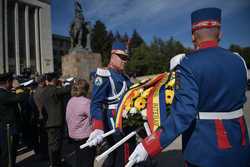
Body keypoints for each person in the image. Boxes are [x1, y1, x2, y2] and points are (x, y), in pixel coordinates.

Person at [128, 7, 250, 167]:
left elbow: (183, 113)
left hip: (205, 151)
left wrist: (149, 145)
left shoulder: (188, 64)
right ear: (220, 34)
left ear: (193, 37)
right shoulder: (239, 61)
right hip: (240, 147)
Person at [87, 41, 132, 166]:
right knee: (118, 155)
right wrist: (98, 126)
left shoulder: (125, 78)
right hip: (112, 123)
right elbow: (95, 103)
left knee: (125, 153)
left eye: (126, 58)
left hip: (126, 121)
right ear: (112, 56)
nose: (125, 61)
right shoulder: (104, 75)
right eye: (122, 57)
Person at [42, 72, 71, 167]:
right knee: (56, 145)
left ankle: (54, 162)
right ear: (54, 80)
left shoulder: (45, 90)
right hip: (55, 122)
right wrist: (66, 82)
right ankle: (55, 163)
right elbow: (68, 89)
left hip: (49, 122)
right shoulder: (54, 90)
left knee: (52, 144)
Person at [66, 78, 95, 167]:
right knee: (87, 161)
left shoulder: (71, 100)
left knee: (79, 159)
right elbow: (93, 117)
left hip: (74, 135)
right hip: (85, 136)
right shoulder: (86, 102)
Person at [0, 72, 27, 167]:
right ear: (7, 82)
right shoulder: (3, 94)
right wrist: (18, 88)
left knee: (10, 153)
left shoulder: (6, 93)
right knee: (8, 154)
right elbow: (22, 97)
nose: (13, 83)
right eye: (12, 81)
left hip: (9, 128)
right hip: (8, 129)